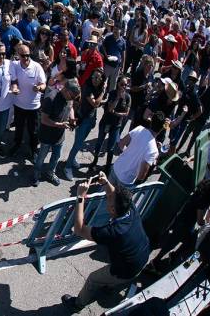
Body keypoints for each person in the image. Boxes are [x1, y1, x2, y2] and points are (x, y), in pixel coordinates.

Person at [62, 173, 150, 313]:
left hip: (127, 269)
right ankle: (110, 286)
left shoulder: (113, 231)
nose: (108, 196)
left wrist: (80, 198)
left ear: (112, 209)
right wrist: (105, 183)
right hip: (142, 256)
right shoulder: (129, 207)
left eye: (109, 200)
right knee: (113, 273)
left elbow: (79, 229)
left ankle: (77, 304)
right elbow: (115, 194)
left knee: (93, 279)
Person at [34, 78, 80, 186]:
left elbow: (71, 107)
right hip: (47, 135)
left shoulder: (69, 98)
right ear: (66, 90)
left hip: (59, 136)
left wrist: (72, 118)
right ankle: (36, 173)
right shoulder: (51, 98)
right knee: (41, 157)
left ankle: (50, 173)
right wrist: (59, 125)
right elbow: (44, 120)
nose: (73, 98)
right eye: (72, 96)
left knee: (56, 157)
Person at [64, 68, 106, 180]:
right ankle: (67, 167)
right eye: (93, 77)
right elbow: (95, 103)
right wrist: (103, 91)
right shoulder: (88, 87)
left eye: (97, 77)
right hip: (83, 119)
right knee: (77, 143)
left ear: (102, 79)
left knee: (80, 142)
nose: (95, 79)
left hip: (90, 119)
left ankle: (72, 160)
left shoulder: (98, 88)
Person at [8, 44, 47, 158]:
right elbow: (13, 80)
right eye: (23, 55)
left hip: (33, 106)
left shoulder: (37, 66)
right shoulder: (14, 65)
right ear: (18, 56)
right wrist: (14, 88)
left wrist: (39, 88)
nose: (26, 58)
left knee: (33, 131)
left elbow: (43, 84)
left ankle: (34, 150)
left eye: (28, 55)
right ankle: (17, 145)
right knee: (18, 128)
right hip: (19, 105)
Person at [111, 111, 165, 187]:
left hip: (116, 167)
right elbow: (141, 176)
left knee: (102, 195)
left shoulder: (139, 129)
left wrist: (128, 154)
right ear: (162, 128)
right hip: (126, 180)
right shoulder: (154, 150)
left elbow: (121, 144)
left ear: (151, 121)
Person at [89, 76, 131, 171]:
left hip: (116, 125)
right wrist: (117, 98)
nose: (124, 87)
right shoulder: (112, 94)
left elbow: (126, 113)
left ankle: (107, 166)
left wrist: (117, 114)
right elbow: (110, 109)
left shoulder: (128, 97)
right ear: (118, 84)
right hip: (106, 122)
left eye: (126, 85)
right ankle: (95, 161)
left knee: (111, 147)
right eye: (122, 84)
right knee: (99, 142)